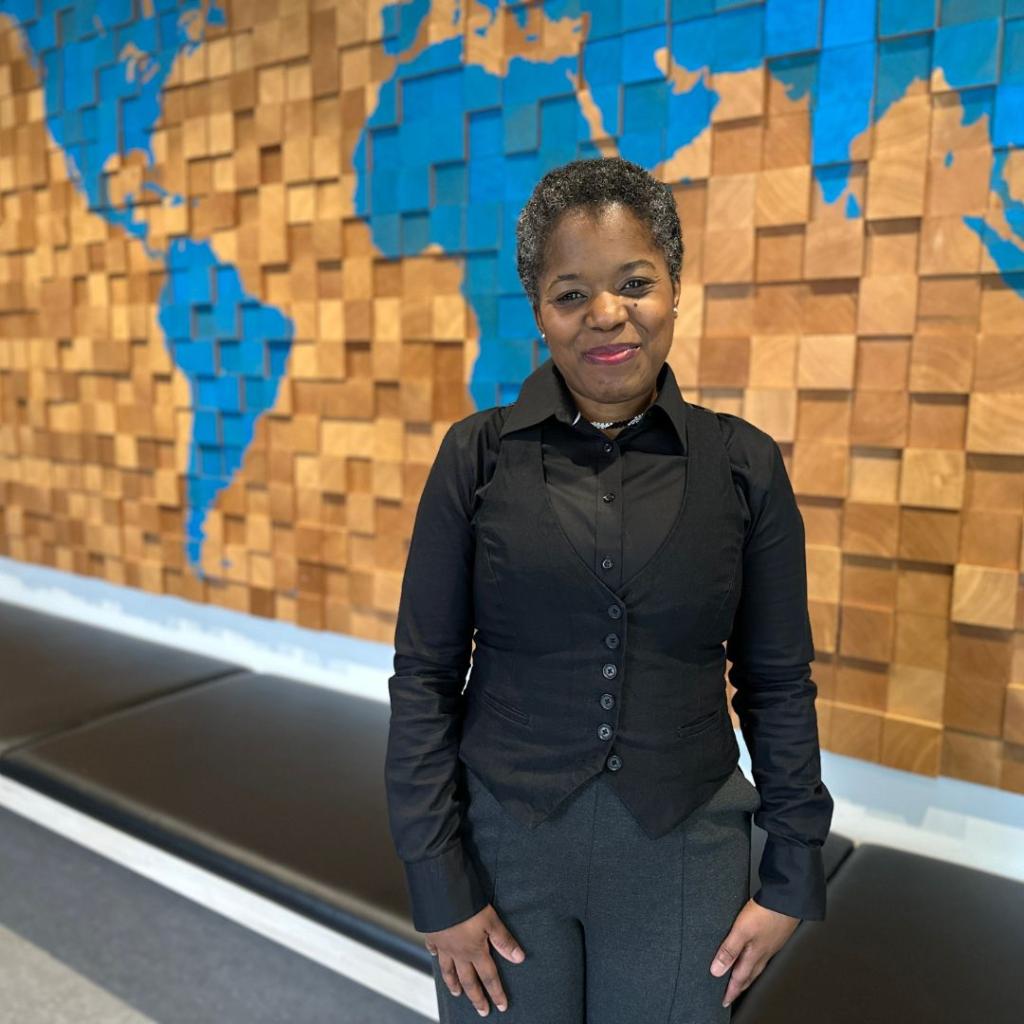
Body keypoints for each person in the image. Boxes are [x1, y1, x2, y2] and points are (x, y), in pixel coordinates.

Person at [385, 156, 834, 1022]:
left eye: (635, 283)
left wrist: (790, 873)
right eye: (571, 294)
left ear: (674, 289)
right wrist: (436, 883)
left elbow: (778, 684)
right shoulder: (473, 458)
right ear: (540, 311)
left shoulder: (745, 467)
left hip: (685, 851)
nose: (607, 315)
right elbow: (424, 679)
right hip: (504, 848)